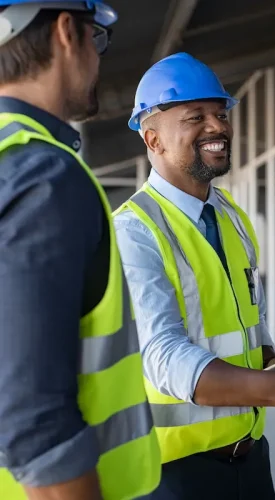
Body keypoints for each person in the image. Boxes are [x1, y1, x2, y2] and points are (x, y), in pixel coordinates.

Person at [113, 52, 275, 500]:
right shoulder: (134, 231)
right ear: (153, 139)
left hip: (250, 461)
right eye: (195, 117)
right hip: (173, 477)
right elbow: (165, 359)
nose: (217, 126)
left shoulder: (230, 217)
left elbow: (252, 329)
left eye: (220, 113)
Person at [0, 2, 161, 500]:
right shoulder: (43, 176)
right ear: (68, 31)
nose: (98, 57)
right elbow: (33, 423)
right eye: (98, 37)